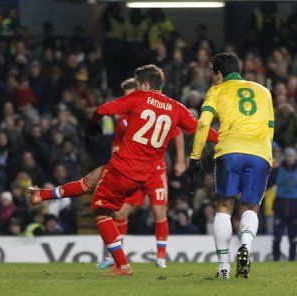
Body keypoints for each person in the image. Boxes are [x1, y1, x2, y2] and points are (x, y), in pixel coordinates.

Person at [28, 77, 211, 269]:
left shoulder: (148, 108)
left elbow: (176, 133)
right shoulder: (124, 120)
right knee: (93, 185)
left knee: (145, 211)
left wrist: (181, 159)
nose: (127, 100)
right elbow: (117, 143)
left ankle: (151, 259)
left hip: (148, 170)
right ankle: (42, 195)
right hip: (128, 167)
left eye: (129, 95)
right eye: (124, 96)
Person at [85, 64, 217, 276]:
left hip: (149, 170)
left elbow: (101, 110)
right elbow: (198, 127)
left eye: (136, 87)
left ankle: (159, 257)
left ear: (145, 86)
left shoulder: (138, 100)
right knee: (120, 212)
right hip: (135, 169)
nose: (133, 92)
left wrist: (93, 123)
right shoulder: (173, 107)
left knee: (155, 211)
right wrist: (222, 138)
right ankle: (117, 257)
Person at [189, 52, 274, 279]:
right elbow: (271, 126)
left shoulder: (216, 91)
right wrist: (267, 156)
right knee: (250, 207)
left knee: (224, 208)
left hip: (230, 151)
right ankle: (245, 245)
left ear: (219, 74)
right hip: (259, 153)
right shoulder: (264, 91)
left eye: (212, 73)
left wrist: (195, 157)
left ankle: (224, 267)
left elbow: (203, 124)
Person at [273, 148, 297, 261]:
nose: (289, 158)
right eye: (287, 156)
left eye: (291, 156)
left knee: (293, 238)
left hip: (294, 208)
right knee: (277, 238)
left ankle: (292, 260)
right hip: (280, 207)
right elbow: (269, 182)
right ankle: (275, 259)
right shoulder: (278, 170)